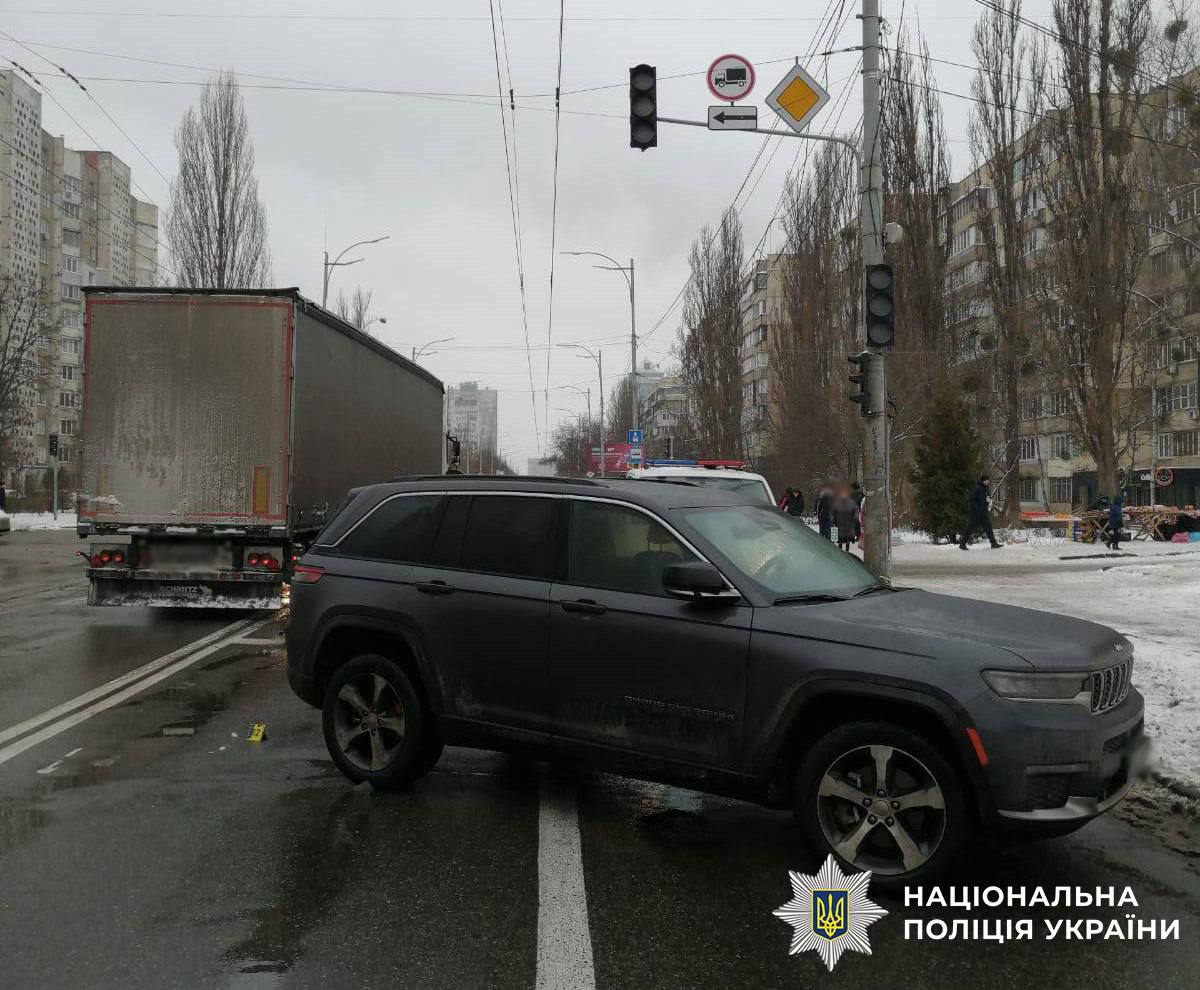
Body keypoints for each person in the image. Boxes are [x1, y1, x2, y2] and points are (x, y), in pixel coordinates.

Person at [959, 474, 1002, 550]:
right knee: (970, 528)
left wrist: (989, 503)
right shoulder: (978, 488)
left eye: (988, 480)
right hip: (976, 513)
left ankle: (993, 543)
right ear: (983, 481)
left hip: (983, 512)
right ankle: (962, 544)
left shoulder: (986, 489)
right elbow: (972, 499)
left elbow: (988, 498)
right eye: (987, 480)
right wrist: (977, 508)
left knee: (988, 528)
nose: (988, 481)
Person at [833, 485, 859, 552]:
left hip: (846, 522)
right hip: (841, 522)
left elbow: (855, 510)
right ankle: (843, 550)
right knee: (842, 538)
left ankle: (845, 551)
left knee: (845, 538)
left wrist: (854, 518)